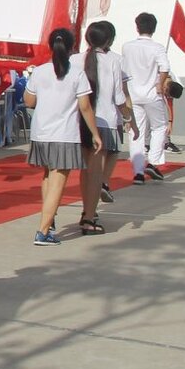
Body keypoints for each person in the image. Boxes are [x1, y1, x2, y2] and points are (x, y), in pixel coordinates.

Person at [25, 27, 103, 246]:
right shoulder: (77, 73)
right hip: (65, 134)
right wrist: (95, 134)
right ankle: (43, 231)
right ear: (71, 48)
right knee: (58, 181)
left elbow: (29, 101)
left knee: (48, 177)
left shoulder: (39, 71)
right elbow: (85, 107)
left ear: (51, 46)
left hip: (41, 132)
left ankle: (48, 223)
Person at [78, 20, 135, 230]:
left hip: (79, 121)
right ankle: (89, 216)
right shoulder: (114, 60)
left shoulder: (75, 59)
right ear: (109, 40)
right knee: (96, 173)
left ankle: (87, 210)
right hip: (105, 120)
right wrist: (129, 118)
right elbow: (120, 96)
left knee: (85, 171)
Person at [118, 13, 170, 184]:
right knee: (159, 127)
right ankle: (153, 162)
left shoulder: (127, 47)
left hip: (132, 95)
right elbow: (165, 67)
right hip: (152, 94)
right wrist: (160, 84)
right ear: (154, 28)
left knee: (136, 132)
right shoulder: (157, 47)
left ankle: (138, 172)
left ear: (137, 27)